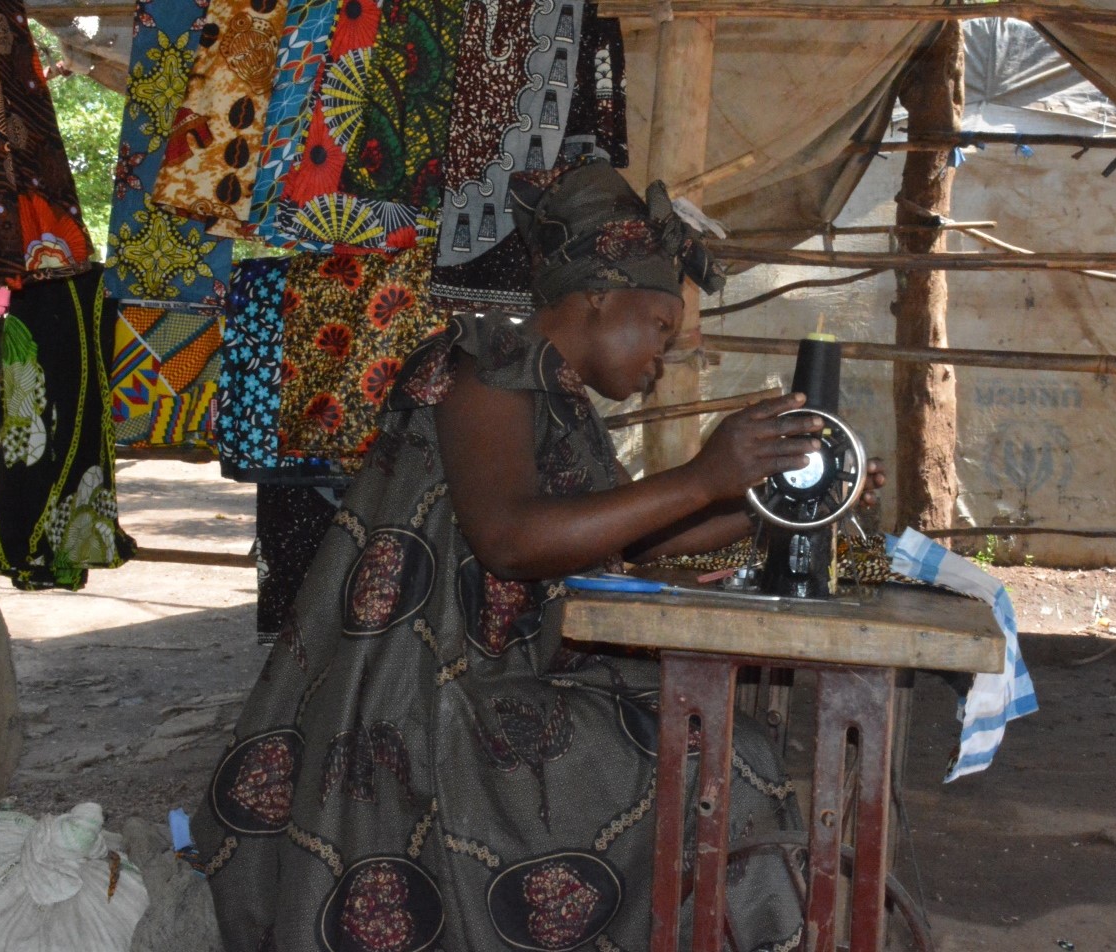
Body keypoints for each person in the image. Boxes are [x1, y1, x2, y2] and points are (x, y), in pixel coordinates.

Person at [193, 158, 886, 952]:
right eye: (662, 327)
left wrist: (781, 506)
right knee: (718, 753)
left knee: (723, 739)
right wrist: (703, 476)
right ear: (597, 295)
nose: (665, 358)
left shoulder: (558, 403)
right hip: (425, 708)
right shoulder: (483, 371)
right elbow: (513, 541)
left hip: (494, 681)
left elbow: (634, 532)